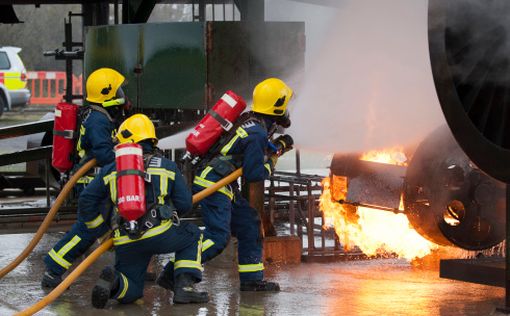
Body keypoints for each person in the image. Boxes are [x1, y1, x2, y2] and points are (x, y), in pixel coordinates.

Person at [157, 78, 294, 292]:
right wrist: (274, 159)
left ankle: (252, 280)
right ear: (277, 107)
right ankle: (174, 271)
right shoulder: (257, 132)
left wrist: (275, 147)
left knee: (249, 223)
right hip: (214, 184)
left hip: (222, 184)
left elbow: (249, 146)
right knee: (218, 237)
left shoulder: (250, 121)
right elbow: (254, 173)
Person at [81, 114, 207, 308]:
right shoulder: (167, 166)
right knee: (192, 234)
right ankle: (184, 289)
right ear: (152, 141)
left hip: (125, 239)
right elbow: (185, 204)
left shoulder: (112, 168)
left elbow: (87, 199)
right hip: (160, 234)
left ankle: (115, 283)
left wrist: (101, 230)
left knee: (132, 289)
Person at [41, 68, 129, 288]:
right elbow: (104, 154)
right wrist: (125, 155)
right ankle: (53, 267)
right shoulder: (98, 121)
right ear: (107, 93)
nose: (121, 92)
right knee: (89, 229)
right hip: (91, 186)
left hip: (96, 185)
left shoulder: (96, 115)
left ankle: (128, 270)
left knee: (116, 226)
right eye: (117, 89)